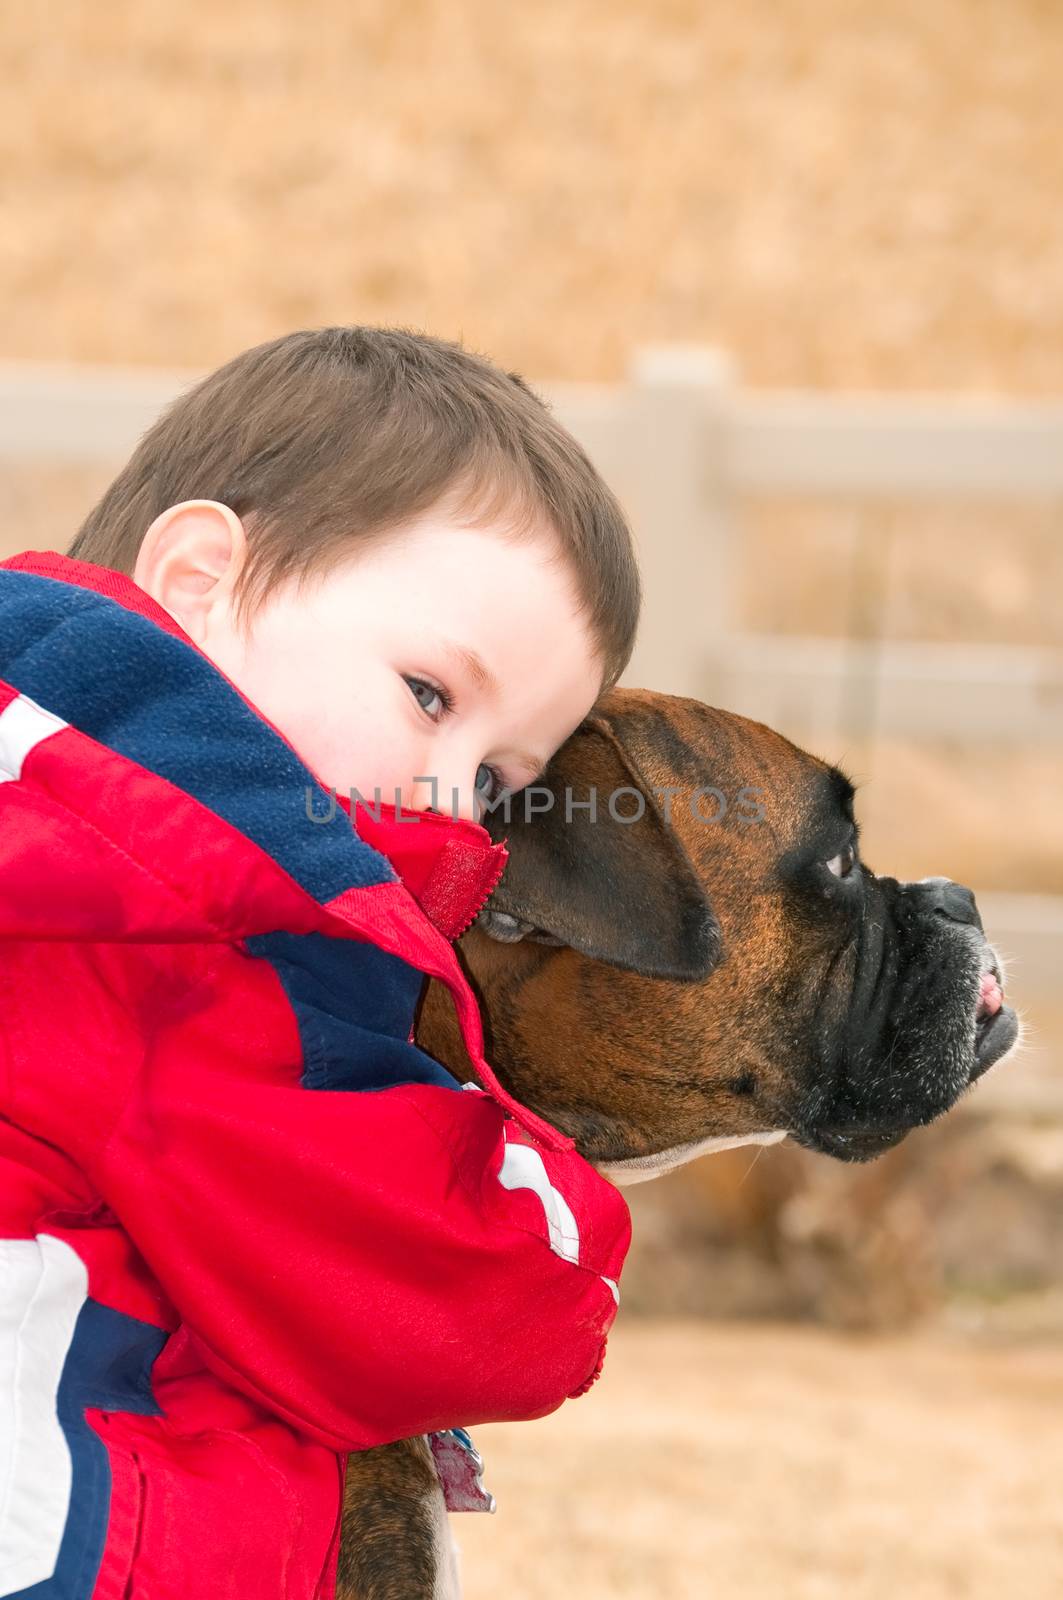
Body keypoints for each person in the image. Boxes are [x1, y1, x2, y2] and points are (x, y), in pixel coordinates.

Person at [0, 327, 640, 1598]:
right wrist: (565, 1217)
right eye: (430, 693)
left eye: (503, 780)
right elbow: (463, 1301)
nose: (453, 799)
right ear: (197, 579)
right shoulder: (192, 922)